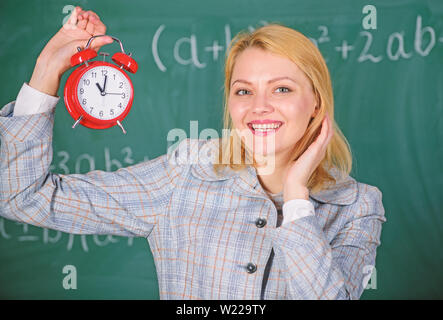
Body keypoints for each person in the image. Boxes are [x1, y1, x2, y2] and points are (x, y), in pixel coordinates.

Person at [0, 7, 386, 300]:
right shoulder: (186, 174)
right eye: (243, 90)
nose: (259, 106)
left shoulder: (357, 206)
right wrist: (47, 69)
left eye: (282, 89)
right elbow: (20, 196)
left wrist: (298, 195)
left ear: (316, 104)